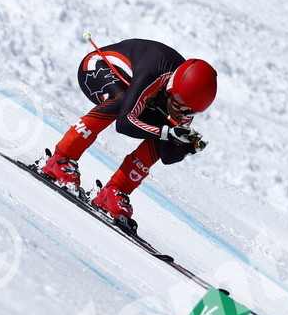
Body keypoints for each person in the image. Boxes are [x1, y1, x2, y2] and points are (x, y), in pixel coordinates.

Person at [40, 38, 217, 226]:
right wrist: (166, 132)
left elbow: (166, 155)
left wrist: (184, 147)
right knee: (123, 101)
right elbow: (124, 122)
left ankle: (114, 191)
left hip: (135, 89)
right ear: (172, 87)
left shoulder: (185, 103)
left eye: (190, 111)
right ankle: (61, 158)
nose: (180, 111)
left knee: (168, 128)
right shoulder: (155, 69)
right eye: (178, 101)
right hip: (96, 67)